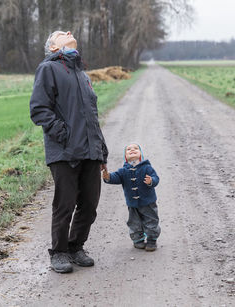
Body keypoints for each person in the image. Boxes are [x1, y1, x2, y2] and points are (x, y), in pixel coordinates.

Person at [29, 30, 108, 273]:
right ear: (53, 48)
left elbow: (91, 116)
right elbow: (39, 109)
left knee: (89, 203)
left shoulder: (82, 73)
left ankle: (76, 247)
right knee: (65, 204)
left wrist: (101, 150)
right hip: (64, 151)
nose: (69, 33)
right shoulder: (48, 69)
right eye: (61, 34)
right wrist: (62, 134)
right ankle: (59, 252)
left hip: (90, 151)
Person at [102, 143, 161, 251]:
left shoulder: (147, 167)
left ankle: (152, 240)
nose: (132, 150)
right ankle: (138, 239)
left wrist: (151, 181)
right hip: (132, 204)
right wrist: (108, 177)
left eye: (135, 148)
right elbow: (115, 177)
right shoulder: (123, 171)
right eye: (128, 149)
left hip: (148, 202)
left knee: (151, 220)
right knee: (134, 222)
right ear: (125, 156)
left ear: (140, 154)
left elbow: (156, 177)